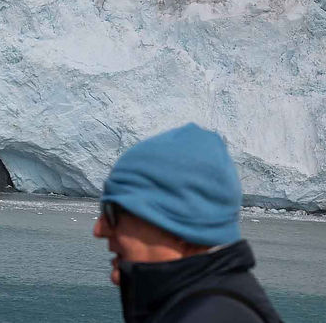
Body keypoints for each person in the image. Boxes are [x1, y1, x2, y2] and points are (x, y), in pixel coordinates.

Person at [93, 123, 282, 323]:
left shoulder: (209, 317)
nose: (99, 229)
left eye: (113, 212)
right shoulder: (212, 305)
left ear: (178, 224)